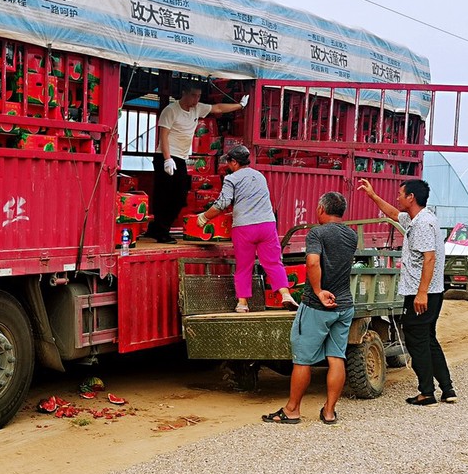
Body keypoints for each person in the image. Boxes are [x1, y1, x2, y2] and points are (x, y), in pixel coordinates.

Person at [262, 191, 358, 425]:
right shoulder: (352, 235)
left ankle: (292, 410)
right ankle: (329, 411)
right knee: (337, 357)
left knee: (303, 360)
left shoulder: (317, 233)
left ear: (321, 209)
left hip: (317, 307)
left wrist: (317, 291)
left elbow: (313, 261)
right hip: (344, 305)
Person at [358, 178, 456, 405]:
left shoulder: (422, 224)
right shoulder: (420, 218)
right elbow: (393, 213)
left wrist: (421, 293)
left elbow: (429, 258)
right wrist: (373, 196)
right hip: (431, 292)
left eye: (400, 194)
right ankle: (448, 389)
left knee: (416, 341)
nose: (397, 197)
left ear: (411, 197)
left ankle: (427, 392)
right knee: (429, 339)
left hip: (423, 293)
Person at [197, 144, 298, 312]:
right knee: (273, 262)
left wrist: (204, 217)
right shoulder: (259, 176)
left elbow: (222, 203)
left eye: (228, 162)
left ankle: (242, 303)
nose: (228, 166)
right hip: (267, 225)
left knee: (244, 266)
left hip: (244, 228)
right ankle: (286, 294)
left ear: (234, 162)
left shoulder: (232, 178)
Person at [148, 84, 247, 243]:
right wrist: (167, 159)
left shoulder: (197, 108)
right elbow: (163, 136)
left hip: (180, 158)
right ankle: (161, 231)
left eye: (199, 96)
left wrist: (240, 105)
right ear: (184, 93)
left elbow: (218, 108)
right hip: (165, 157)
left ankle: (156, 228)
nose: (196, 99)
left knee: (180, 197)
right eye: (193, 95)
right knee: (164, 196)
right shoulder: (171, 110)